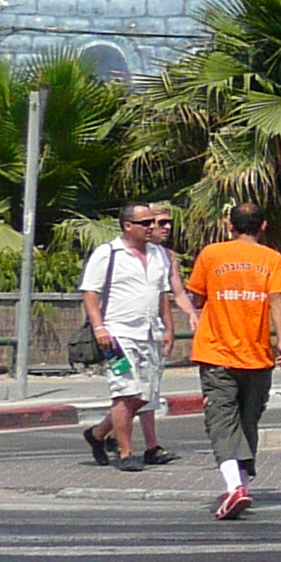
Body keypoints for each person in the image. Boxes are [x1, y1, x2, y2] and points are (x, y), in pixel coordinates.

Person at [184, 202, 281, 522]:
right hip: (258, 355)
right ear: (263, 227)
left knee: (221, 420)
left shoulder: (211, 254)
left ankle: (236, 487)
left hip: (216, 352)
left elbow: (198, 297)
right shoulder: (273, 259)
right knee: (248, 420)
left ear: (230, 226)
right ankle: (241, 485)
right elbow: (278, 299)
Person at [80, 202, 194, 472]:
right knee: (124, 390)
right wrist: (99, 328)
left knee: (145, 394)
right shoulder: (108, 253)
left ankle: (98, 434)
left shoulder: (159, 256)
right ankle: (126, 451)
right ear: (128, 225)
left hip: (149, 333)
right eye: (146, 223)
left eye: (153, 223)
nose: (152, 227)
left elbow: (162, 294)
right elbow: (90, 293)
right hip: (119, 335)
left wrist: (168, 327)